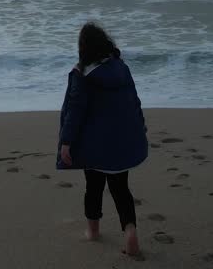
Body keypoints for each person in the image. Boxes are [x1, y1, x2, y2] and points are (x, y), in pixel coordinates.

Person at [57, 21, 148, 258]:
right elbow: (134, 102)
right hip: (122, 144)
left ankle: (93, 232)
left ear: (84, 48)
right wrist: (141, 128)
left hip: (95, 146)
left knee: (94, 188)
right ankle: (130, 231)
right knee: (121, 190)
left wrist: (66, 142)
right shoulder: (121, 68)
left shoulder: (83, 75)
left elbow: (75, 111)